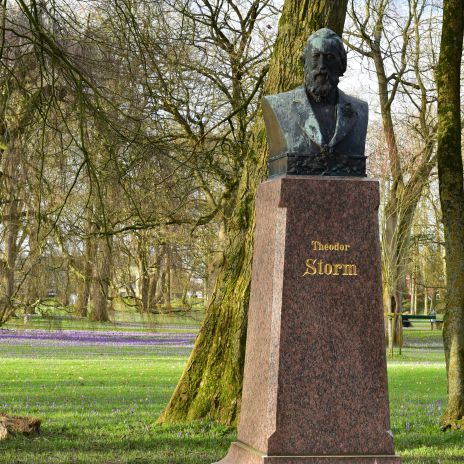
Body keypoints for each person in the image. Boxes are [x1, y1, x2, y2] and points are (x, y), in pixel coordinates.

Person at [262, 28, 368, 177]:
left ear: (341, 65)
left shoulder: (359, 110)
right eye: (315, 56)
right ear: (304, 62)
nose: (322, 66)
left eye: (330, 57)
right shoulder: (278, 105)